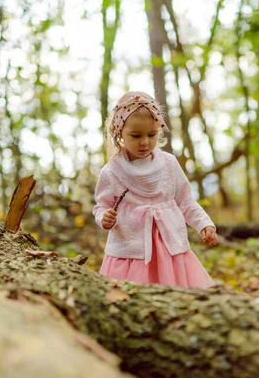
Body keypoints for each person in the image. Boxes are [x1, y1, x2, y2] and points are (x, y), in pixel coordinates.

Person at [93, 91, 217, 288]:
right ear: (119, 133)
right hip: (131, 251)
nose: (145, 142)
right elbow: (101, 206)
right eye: (136, 135)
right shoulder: (112, 172)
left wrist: (204, 224)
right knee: (129, 295)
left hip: (169, 249)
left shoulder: (169, 164)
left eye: (152, 134)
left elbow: (185, 201)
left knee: (175, 292)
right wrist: (104, 217)